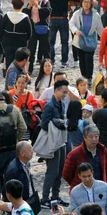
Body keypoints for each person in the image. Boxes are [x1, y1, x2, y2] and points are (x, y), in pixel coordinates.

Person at [40, 79, 71, 207]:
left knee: (60, 170)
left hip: (61, 141)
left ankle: (55, 196)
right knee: (52, 171)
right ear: (56, 90)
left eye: (66, 92)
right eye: (63, 92)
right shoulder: (49, 105)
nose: (65, 94)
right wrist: (58, 123)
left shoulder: (62, 104)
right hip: (52, 142)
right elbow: (44, 124)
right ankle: (45, 198)